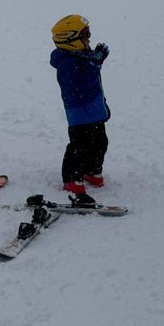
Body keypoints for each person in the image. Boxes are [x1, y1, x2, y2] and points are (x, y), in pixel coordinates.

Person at [49, 14, 110, 199]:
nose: (89, 38)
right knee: (80, 146)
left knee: (100, 143)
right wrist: (95, 63)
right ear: (71, 40)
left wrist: (94, 61)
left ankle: (91, 170)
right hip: (80, 113)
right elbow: (81, 86)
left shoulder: (81, 55)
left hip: (94, 110)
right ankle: (71, 178)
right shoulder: (66, 63)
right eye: (85, 34)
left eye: (88, 33)